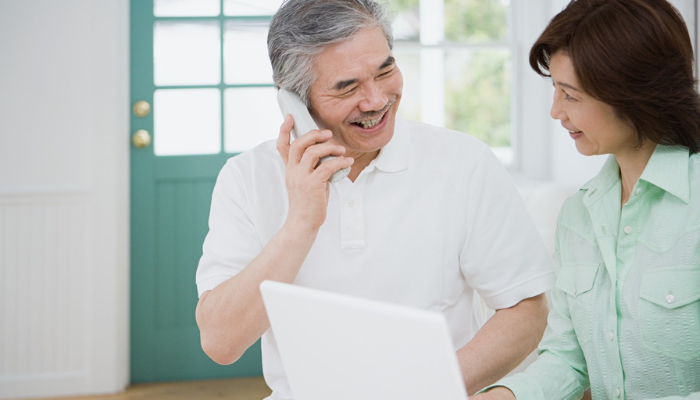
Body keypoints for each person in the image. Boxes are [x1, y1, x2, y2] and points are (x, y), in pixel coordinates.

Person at [194, 0, 555, 398]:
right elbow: (221, 342)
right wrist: (301, 222)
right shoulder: (246, 177)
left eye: (385, 71)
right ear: (294, 101)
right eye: (346, 87)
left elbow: (526, 310)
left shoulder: (464, 162)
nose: (376, 100)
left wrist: (429, 387)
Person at [474, 0, 700, 399]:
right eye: (555, 90)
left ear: (632, 95)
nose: (555, 111)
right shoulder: (579, 215)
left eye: (571, 96)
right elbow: (568, 359)